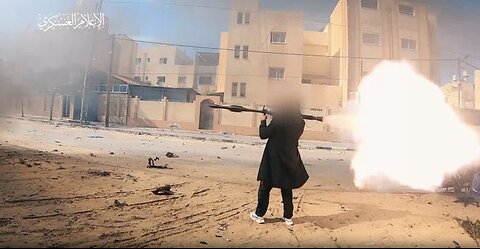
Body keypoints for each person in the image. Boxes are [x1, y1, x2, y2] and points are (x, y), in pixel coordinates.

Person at [249, 102, 309, 226]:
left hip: (273, 159)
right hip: (289, 158)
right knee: (287, 188)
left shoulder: (280, 120)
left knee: (264, 187)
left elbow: (263, 134)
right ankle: (288, 217)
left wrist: (263, 121)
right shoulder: (300, 123)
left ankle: (259, 215)